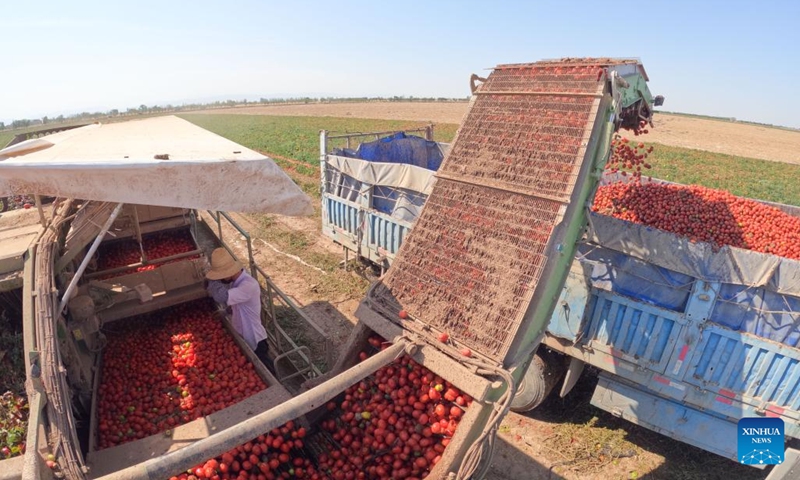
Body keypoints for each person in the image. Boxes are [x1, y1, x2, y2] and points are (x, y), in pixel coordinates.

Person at [205, 248, 274, 374]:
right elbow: (238, 305)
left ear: (229, 273)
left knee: (266, 368)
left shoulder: (248, 285)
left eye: (220, 276)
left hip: (254, 337)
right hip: (243, 332)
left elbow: (221, 296)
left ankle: (280, 390)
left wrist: (211, 280)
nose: (221, 279)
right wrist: (226, 312)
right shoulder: (236, 282)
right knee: (253, 370)